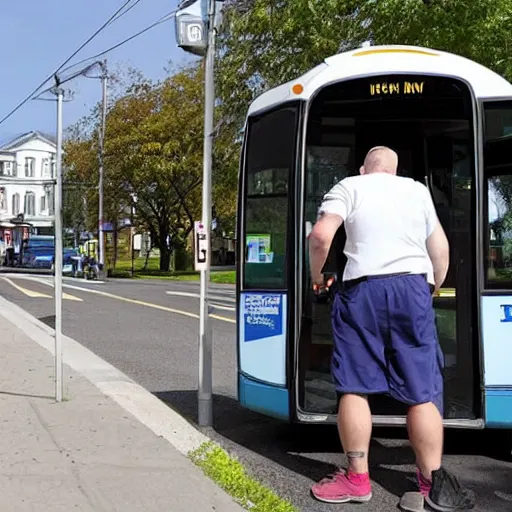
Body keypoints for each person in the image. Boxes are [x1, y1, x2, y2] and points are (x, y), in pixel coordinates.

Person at [308, 147, 474, 511]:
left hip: (362, 290)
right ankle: (432, 484)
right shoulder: (416, 190)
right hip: (411, 286)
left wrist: (317, 277)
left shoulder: (349, 186)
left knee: (354, 384)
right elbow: (441, 249)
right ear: (395, 170)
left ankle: (356, 479)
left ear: (364, 168)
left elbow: (320, 236)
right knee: (422, 391)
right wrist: (431, 285)